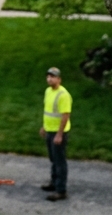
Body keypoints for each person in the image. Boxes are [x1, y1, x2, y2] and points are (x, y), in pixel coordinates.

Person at [39, 66, 72, 201]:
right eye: (48, 76)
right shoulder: (48, 91)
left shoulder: (63, 95)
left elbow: (65, 115)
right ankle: (54, 183)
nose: (49, 79)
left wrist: (59, 134)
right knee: (53, 159)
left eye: (52, 77)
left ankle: (61, 190)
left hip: (59, 133)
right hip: (50, 130)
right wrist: (44, 127)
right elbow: (49, 111)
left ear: (59, 79)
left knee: (59, 161)